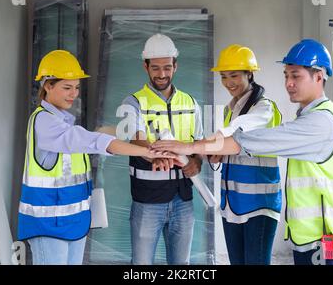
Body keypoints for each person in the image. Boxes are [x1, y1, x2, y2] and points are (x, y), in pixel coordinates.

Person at [151, 39, 333, 265]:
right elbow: (323, 171)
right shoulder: (301, 116)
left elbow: (243, 140)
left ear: (319, 75)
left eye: (295, 76)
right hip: (254, 211)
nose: (288, 83)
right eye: (286, 75)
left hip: (311, 230)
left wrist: (188, 147)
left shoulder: (308, 118)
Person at [17, 50, 172, 265]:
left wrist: (128, 131)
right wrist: (148, 152)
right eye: (67, 87)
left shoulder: (61, 121)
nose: (74, 94)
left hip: (72, 223)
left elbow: (94, 136)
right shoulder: (44, 122)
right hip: (48, 226)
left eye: (77, 88)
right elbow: (92, 140)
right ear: (47, 85)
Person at [121, 34, 204, 265]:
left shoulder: (190, 103)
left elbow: (198, 144)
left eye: (167, 67)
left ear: (175, 66)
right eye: (155, 68)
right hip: (147, 201)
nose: (161, 74)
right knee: (142, 266)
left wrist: (197, 161)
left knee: (181, 267)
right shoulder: (133, 102)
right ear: (145, 66)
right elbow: (134, 141)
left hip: (183, 199)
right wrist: (152, 154)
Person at [207, 44, 282, 264]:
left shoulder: (264, 108)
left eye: (234, 75)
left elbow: (239, 131)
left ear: (249, 74)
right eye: (223, 76)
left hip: (259, 205)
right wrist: (219, 154)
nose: (228, 82)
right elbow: (235, 147)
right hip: (233, 202)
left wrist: (209, 143)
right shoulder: (230, 110)